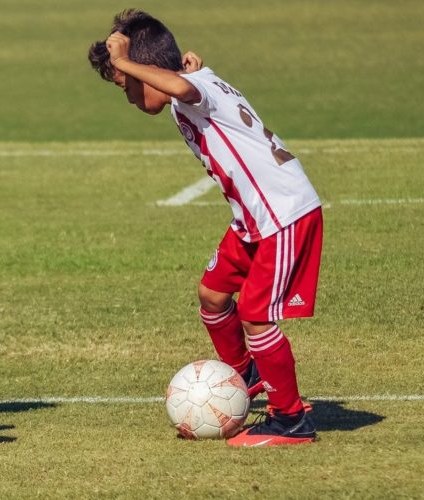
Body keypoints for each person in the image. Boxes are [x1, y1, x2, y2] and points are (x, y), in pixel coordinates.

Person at [88, 10, 323, 446]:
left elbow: (178, 86)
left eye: (127, 86)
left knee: (255, 317)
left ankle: (290, 419)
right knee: (213, 295)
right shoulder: (195, 87)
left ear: (150, 71)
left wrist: (125, 61)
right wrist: (164, 74)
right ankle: (249, 376)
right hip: (253, 219)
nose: (130, 98)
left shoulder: (190, 89)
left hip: (281, 214)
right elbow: (181, 87)